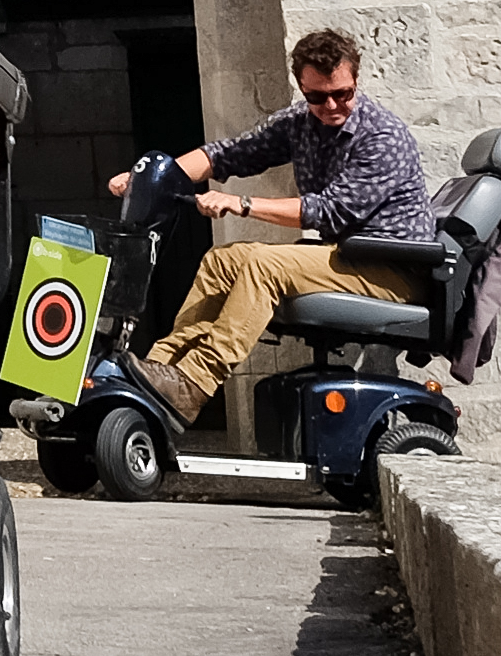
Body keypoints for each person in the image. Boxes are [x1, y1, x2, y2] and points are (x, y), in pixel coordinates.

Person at [109, 28, 437, 430]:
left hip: (392, 268)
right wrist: (151, 180)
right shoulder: (301, 122)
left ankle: (195, 381)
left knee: (267, 264)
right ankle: (161, 369)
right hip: (350, 257)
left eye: (343, 93)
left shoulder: (382, 136)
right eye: (317, 96)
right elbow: (229, 154)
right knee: (224, 260)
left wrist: (242, 204)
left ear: (356, 81)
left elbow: (329, 212)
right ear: (302, 87)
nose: (331, 105)